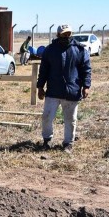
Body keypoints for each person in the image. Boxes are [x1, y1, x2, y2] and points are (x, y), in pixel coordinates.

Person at [36, 24, 91, 152]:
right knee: (46, 117)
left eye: (68, 34)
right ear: (58, 35)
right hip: (53, 91)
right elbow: (43, 70)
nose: (67, 36)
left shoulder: (79, 50)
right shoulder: (50, 50)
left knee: (70, 120)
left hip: (72, 91)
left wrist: (86, 86)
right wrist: (40, 87)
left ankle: (68, 143)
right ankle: (47, 140)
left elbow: (86, 69)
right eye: (64, 34)